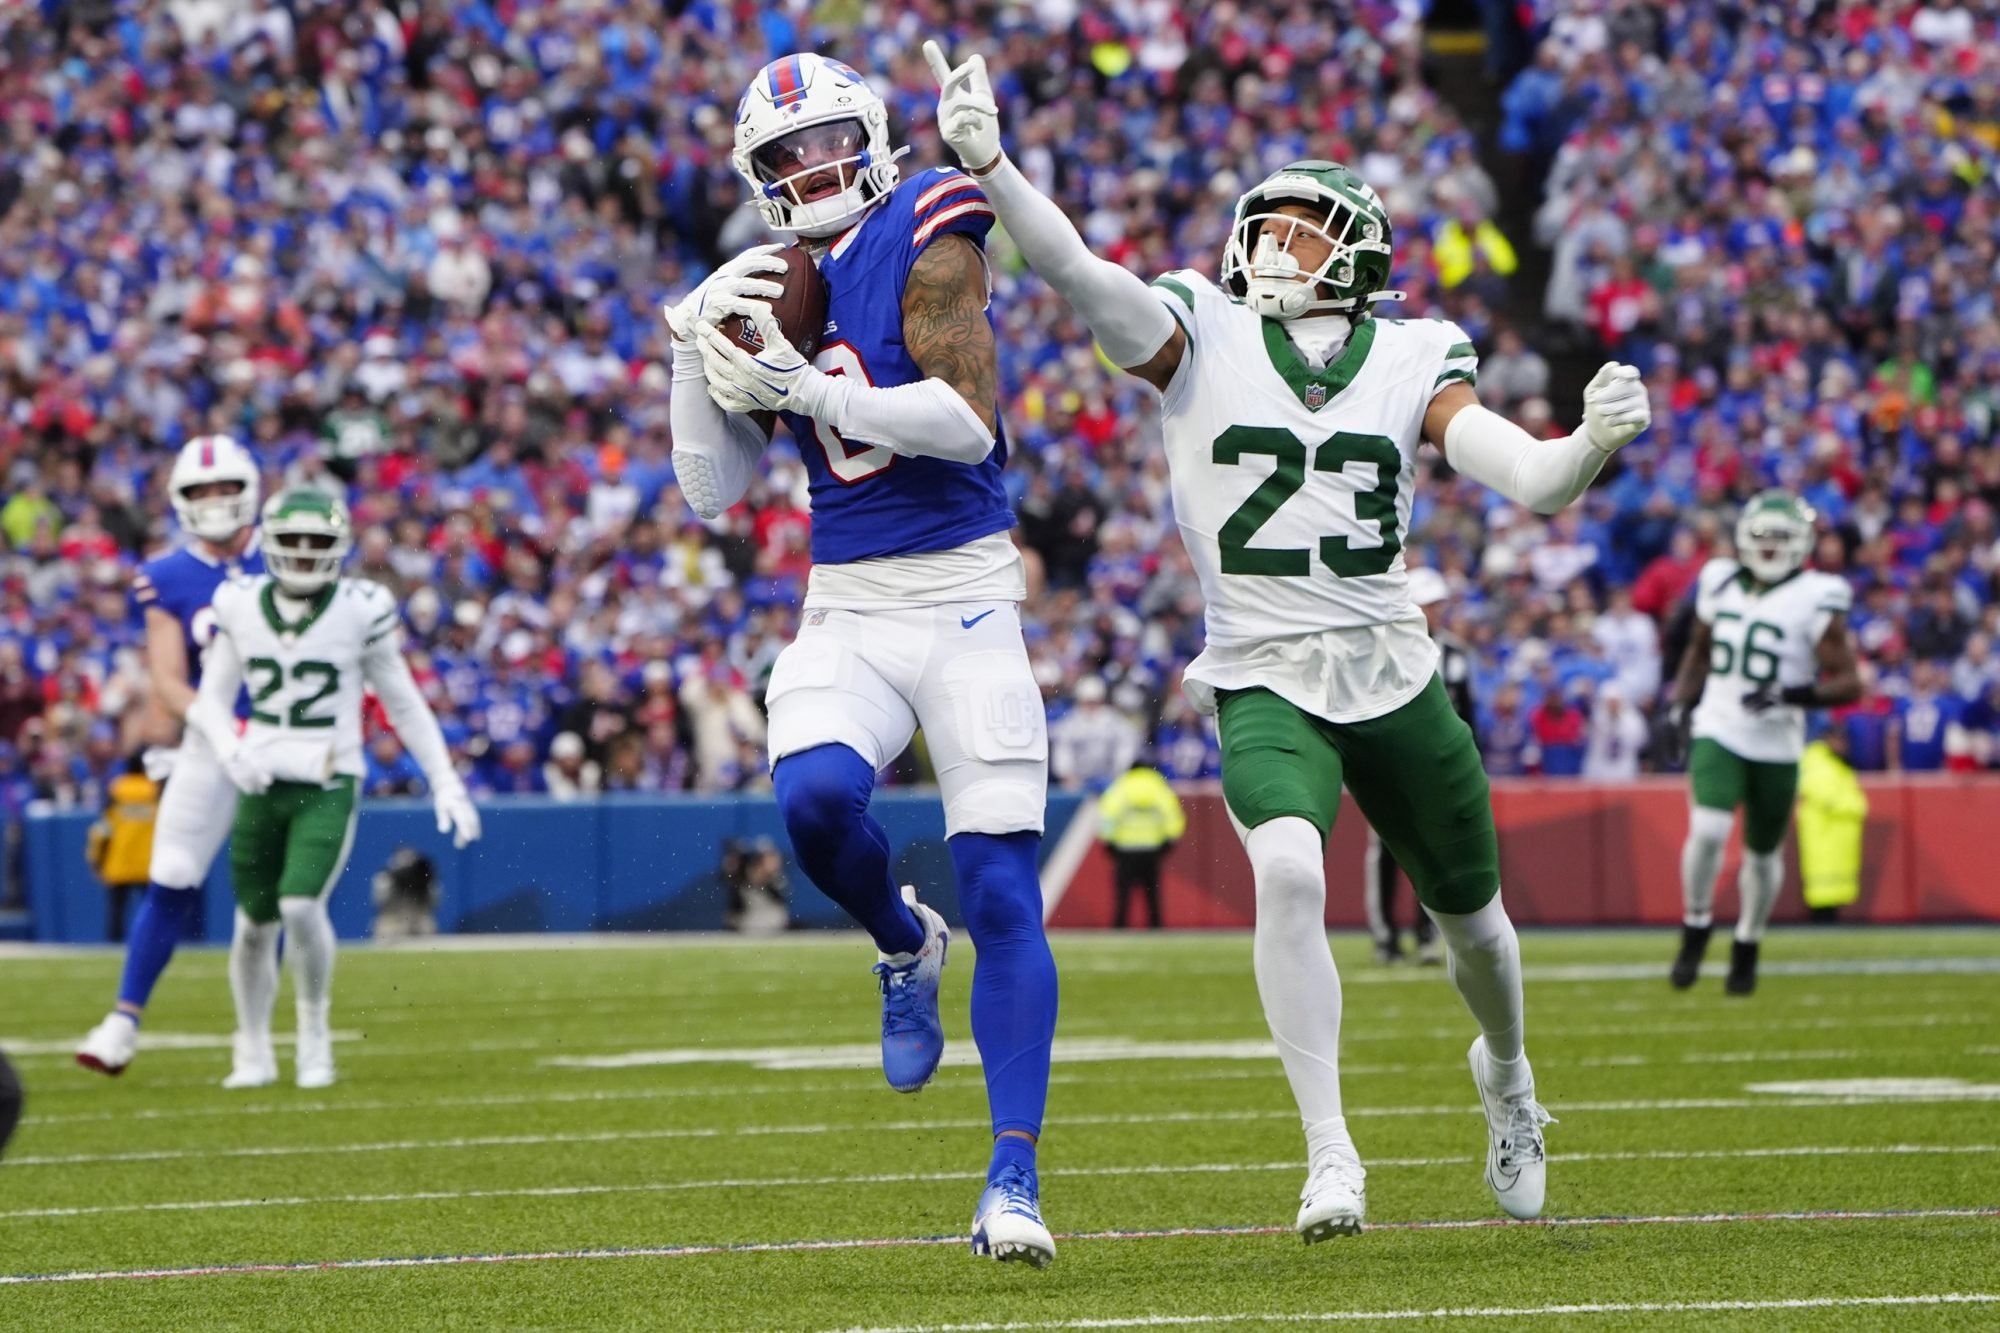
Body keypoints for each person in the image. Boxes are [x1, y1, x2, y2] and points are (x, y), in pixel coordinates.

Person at [928, 42, 1651, 1238]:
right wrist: (995, 170)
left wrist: (1584, 446)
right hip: (1261, 668)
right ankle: (1329, 1153)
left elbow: (1524, 478)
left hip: (1390, 666)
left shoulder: (1415, 353)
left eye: (1304, 230)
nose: (1272, 245)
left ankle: (1509, 1081)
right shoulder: (1197, 328)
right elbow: (1074, 270)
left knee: (1476, 926)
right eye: (1264, 225)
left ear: (1358, 255)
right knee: (1286, 867)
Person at [667, 53, 1059, 1266]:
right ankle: (901, 940)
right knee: (815, 803)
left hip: (965, 596)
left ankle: (1011, 1178)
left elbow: (964, 421)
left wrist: (808, 392)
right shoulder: (762, 282)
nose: (808, 169)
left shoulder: (929, 222)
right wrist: (695, 348)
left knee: (1000, 886)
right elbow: (709, 493)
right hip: (845, 603)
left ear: (872, 136)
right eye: (780, 157)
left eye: (824, 140)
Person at [187, 489, 481, 1089]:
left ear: (338, 548)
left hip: (329, 774)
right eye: (290, 542)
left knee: (299, 903)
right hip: (261, 774)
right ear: (268, 544)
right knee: (253, 923)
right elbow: (210, 702)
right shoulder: (240, 603)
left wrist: (444, 778)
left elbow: (402, 700)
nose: (300, 554)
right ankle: (251, 1047)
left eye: (314, 542)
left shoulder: (359, 608)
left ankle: (314, 1034)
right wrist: (231, 750)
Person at [77, 435, 266, 1076]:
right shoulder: (167, 574)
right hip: (212, 744)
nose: (214, 501)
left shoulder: (293, 554)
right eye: (199, 491)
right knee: (172, 875)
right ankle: (122, 1020)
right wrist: (218, 727)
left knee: (274, 896)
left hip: (286, 742)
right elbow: (166, 678)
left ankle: (263, 1039)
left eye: (224, 488)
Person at [1661, 492, 1863, 995]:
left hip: (1777, 739)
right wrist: (1677, 705)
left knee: (1762, 854)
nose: (1770, 547)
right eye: (1763, 536)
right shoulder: (1719, 578)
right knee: (1708, 829)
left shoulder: (1819, 593)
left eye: (1781, 538)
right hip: (1720, 724)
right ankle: (1696, 923)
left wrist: (1790, 693)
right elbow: (1699, 652)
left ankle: (1748, 941)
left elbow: (1850, 683)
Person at [1365, 566, 1472, 964]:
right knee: (1387, 853)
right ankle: (1386, 936)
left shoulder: (1455, 654)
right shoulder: (1385, 648)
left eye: (1439, 604)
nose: (1436, 612)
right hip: (1391, 765)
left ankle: (1429, 934)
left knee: (1434, 853)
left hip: (1438, 766)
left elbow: (1468, 715)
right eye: (1429, 605)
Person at [1097, 760, 1186, 928]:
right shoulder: (1159, 788)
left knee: (1123, 893)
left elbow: (1108, 816)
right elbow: (1172, 816)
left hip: (1125, 849)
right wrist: (1169, 841)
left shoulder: (1121, 787)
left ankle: (1120, 926)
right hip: (1152, 849)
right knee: (1152, 892)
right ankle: (1156, 926)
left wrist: (1109, 842)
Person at [85, 759, 160, 943]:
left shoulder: (117, 790)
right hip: (147, 863)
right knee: (153, 910)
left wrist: (94, 858)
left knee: (117, 911)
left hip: (120, 862)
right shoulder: (154, 791)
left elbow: (103, 829)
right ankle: (151, 943)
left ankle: (113, 945)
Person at [1796, 729, 1867, 922]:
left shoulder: (1835, 764)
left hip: (1836, 834)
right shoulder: (1817, 762)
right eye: (1839, 739)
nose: (1843, 745)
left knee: (1834, 884)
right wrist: (1855, 806)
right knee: (1822, 882)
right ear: (1828, 739)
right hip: (1824, 833)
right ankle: (1821, 920)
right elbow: (1827, 797)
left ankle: (1829, 918)